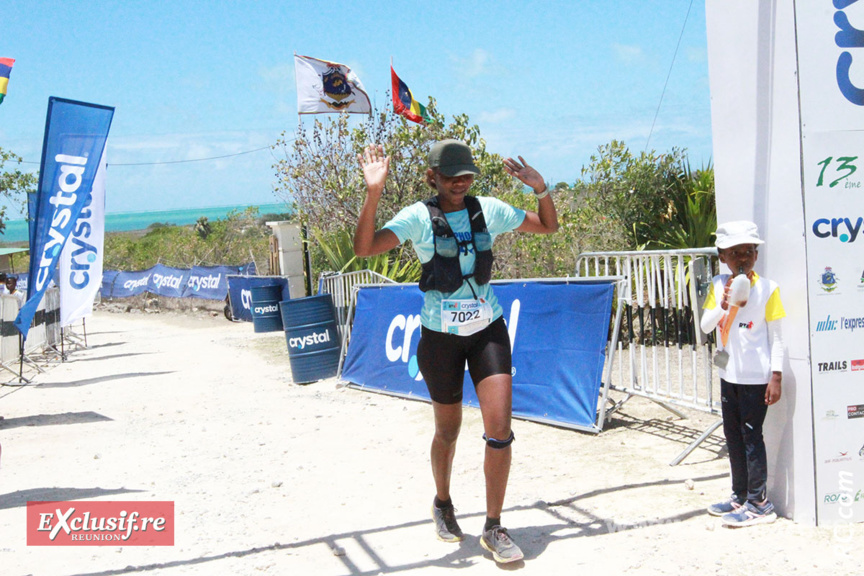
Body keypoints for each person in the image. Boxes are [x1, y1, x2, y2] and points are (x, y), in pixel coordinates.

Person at [354, 140, 558, 563]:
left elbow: (547, 227)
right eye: (451, 177)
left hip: (488, 330)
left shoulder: (488, 210)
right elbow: (364, 248)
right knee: (447, 430)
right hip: (440, 339)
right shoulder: (417, 218)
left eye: (467, 176)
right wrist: (373, 193)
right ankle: (443, 503)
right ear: (433, 177)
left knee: (499, 431)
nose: (461, 183)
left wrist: (541, 189)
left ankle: (494, 526)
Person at [700, 221, 785, 527]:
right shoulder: (716, 285)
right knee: (733, 437)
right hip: (729, 376)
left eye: (748, 251)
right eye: (735, 252)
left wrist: (775, 376)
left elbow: (777, 336)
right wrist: (723, 304)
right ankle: (739, 496)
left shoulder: (768, 288)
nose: (742, 258)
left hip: (755, 379)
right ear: (722, 256)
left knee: (751, 437)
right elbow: (706, 327)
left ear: (756, 255)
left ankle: (760, 503)